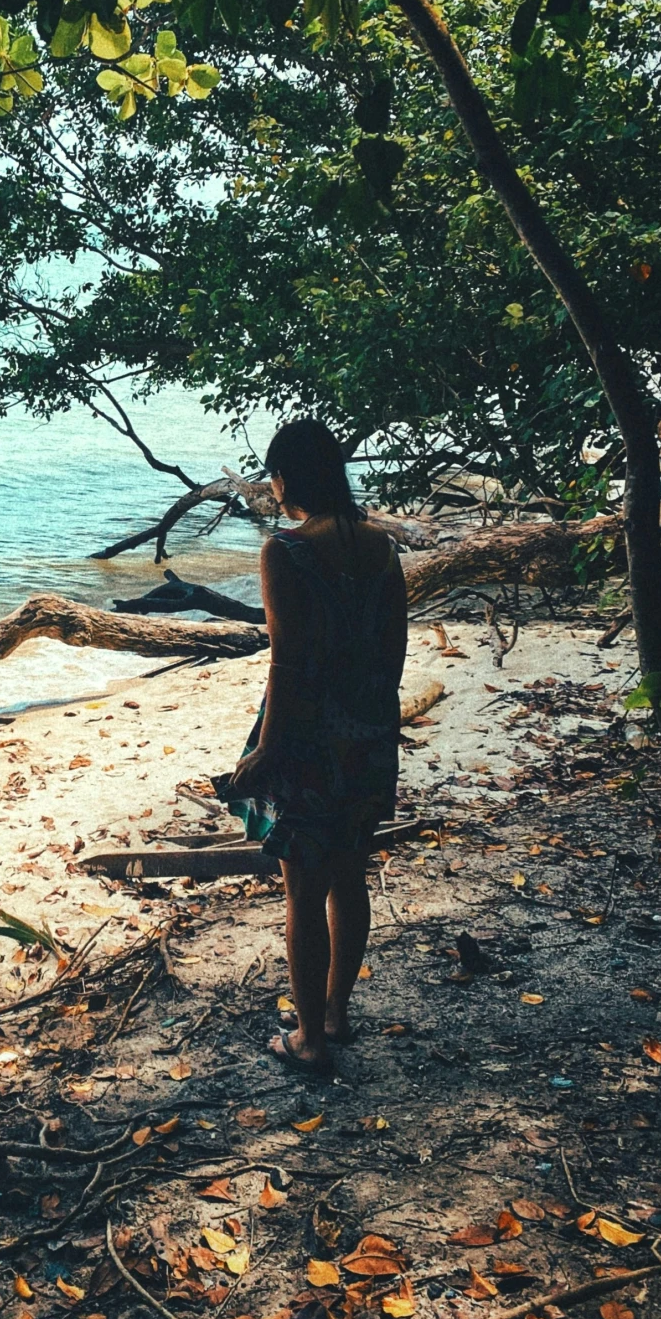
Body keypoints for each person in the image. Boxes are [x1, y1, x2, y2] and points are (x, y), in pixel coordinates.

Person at [226, 419, 406, 1076]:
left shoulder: (287, 551)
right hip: (368, 733)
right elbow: (393, 657)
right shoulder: (381, 548)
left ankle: (308, 1040)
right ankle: (337, 1012)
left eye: (273, 476)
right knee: (350, 877)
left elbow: (287, 662)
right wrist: (371, 725)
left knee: (302, 889)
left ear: (286, 479)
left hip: (306, 739)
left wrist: (268, 749)